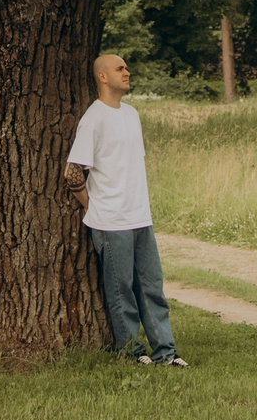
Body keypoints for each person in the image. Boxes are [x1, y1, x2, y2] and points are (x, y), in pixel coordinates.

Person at [64, 53, 186, 367]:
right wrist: (94, 207)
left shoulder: (131, 114)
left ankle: (166, 353)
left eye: (127, 67)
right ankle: (132, 353)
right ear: (103, 76)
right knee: (121, 292)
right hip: (110, 221)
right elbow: (72, 172)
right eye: (120, 68)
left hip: (139, 216)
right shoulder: (94, 118)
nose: (127, 72)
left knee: (152, 287)